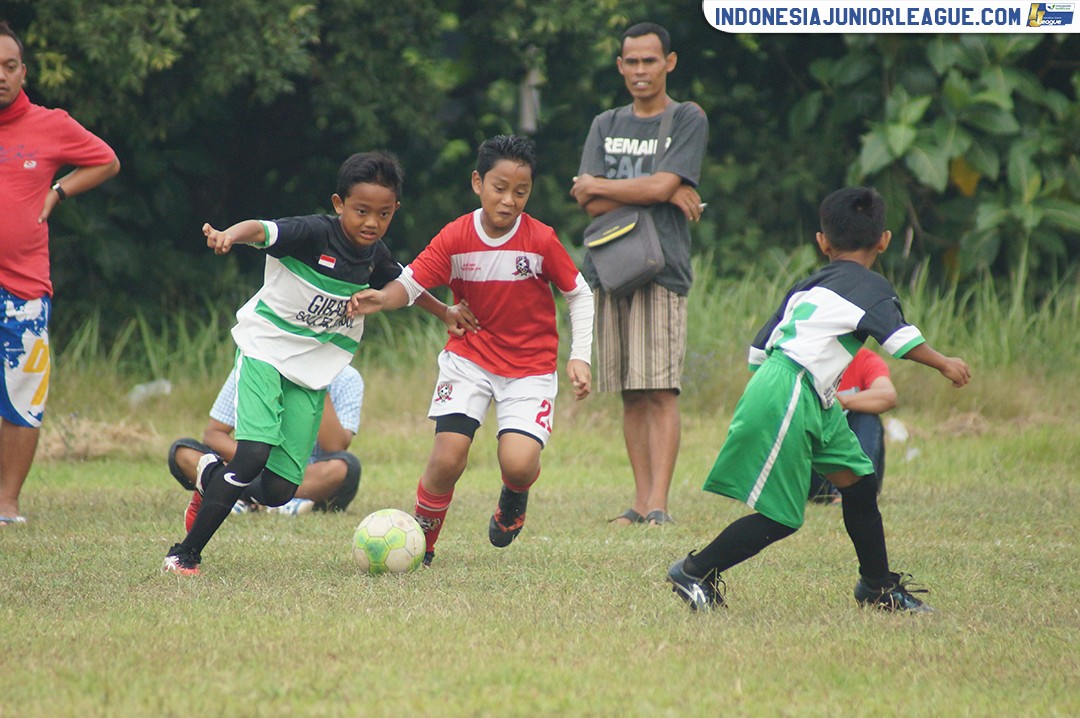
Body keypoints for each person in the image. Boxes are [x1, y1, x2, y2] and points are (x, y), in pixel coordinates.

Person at [162, 151, 477, 575]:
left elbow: (407, 285)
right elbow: (262, 228)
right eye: (361, 211)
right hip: (265, 350)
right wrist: (228, 235)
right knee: (252, 454)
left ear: (395, 211)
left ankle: (210, 478)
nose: (371, 222)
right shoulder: (312, 233)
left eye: (383, 214)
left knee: (278, 489)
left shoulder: (374, 256)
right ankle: (185, 555)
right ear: (338, 204)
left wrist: (445, 313)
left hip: (311, 373)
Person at [666, 187, 971, 613]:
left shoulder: (806, 285)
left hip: (801, 389)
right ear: (883, 240)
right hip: (793, 389)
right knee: (783, 515)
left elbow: (757, 352)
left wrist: (781, 390)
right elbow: (898, 340)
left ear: (822, 242)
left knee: (859, 483)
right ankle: (694, 571)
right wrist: (944, 363)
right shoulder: (871, 286)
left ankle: (878, 587)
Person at [349, 135, 593, 567]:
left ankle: (514, 495)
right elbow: (412, 283)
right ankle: (423, 545)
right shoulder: (456, 236)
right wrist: (381, 299)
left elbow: (579, 294)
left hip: (530, 368)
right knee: (447, 456)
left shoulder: (540, 240)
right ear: (478, 182)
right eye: (500, 188)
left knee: (518, 464)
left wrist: (580, 355)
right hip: (470, 358)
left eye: (522, 191)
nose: (510, 200)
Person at [570, 22, 708, 527]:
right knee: (629, 389)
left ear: (669, 63)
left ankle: (659, 506)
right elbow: (587, 200)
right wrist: (660, 188)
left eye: (650, 61)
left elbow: (601, 187)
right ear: (620, 66)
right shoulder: (605, 123)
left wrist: (654, 187)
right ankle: (637, 500)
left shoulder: (687, 118)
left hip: (661, 270)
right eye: (632, 61)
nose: (640, 71)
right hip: (609, 267)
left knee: (661, 388)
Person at [0, 22, 121, 527]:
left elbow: (106, 161)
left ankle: (6, 504)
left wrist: (59, 191)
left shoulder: (49, 125)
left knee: (22, 397)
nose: (1, 76)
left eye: (9, 67)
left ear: (24, 72)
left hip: (24, 290)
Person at [167, 363, 364, 516]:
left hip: (304, 476)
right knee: (183, 452)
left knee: (347, 467)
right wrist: (256, 461)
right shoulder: (253, 366)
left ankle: (235, 496)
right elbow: (214, 434)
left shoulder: (346, 377)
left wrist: (318, 383)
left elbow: (336, 446)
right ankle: (276, 502)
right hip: (250, 466)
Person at [808, 347, 896, 503]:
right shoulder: (806, 360)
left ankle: (855, 490)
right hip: (817, 465)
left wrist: (844, 402)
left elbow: (888, 396)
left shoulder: (864, 359)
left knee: (867, 417)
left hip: (850, 457)